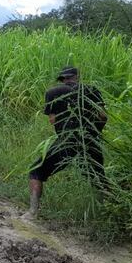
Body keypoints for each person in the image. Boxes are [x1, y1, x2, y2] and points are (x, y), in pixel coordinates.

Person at [24, 66, 107, 219]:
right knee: (98, 179)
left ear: (62, 79)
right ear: (77, 77)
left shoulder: (53, 93)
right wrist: (94, 133)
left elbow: (52, 119)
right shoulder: (92, 91)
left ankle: (32, 212)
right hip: (90, 140)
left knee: (36, 171)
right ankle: (108, 214)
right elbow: (102, 116)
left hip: (67, 141)